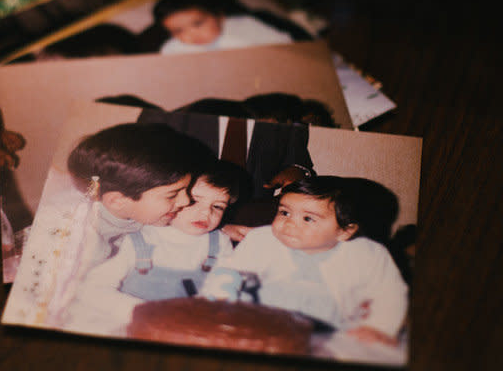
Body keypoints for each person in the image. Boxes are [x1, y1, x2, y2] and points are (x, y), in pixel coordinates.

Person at [37, 122, 216, 325]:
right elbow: (76, 297)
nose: (186, 201)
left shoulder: (137, 209)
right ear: (117, 201)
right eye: (173, 194)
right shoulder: (74, 235)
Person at [201, 176, 408, 346]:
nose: (289, 223)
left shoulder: (368, 255)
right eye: (284, 212)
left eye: (308, 218)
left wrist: (379, 326)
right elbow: (228, 271)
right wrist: (219, 302)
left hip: (330, 332)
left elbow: (390, 294)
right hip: (260, 321)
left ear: (345, 231)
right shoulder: (262, 239)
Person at [65, 160, 245, 335]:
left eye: (217, 206)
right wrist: (145, 313)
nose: (206, 213)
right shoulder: (139, 234)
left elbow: (224, 288)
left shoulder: (219, 242)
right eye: (193, 201)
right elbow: (91, 289)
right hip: (127, 323)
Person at [152, 0, 308, 55]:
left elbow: (287, 49)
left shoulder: (246, 26)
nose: (190, 35)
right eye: (178, 31)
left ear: (219, 16)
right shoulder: (173, 49)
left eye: (198, 23)